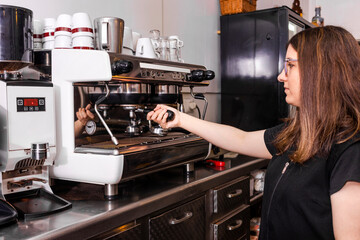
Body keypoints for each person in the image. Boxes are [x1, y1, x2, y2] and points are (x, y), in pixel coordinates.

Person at [147, 26, 360, 239]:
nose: (280, 76)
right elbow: (241, 139)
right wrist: (181, 119)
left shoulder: (349, 151)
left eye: (290, 66)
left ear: (322, 72)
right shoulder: (298, 133)